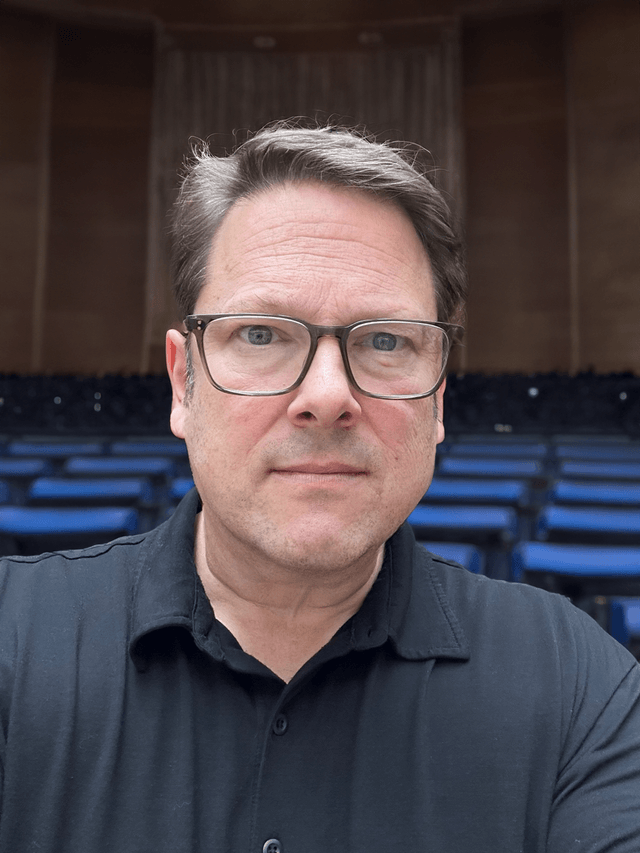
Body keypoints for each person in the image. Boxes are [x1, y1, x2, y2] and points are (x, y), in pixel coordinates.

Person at [0, 122, 638, 853]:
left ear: (438, 398)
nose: (328, 396)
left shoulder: (580, 681)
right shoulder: (11, 641)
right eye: (261, 334)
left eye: (386, 340)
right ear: (182, 382)